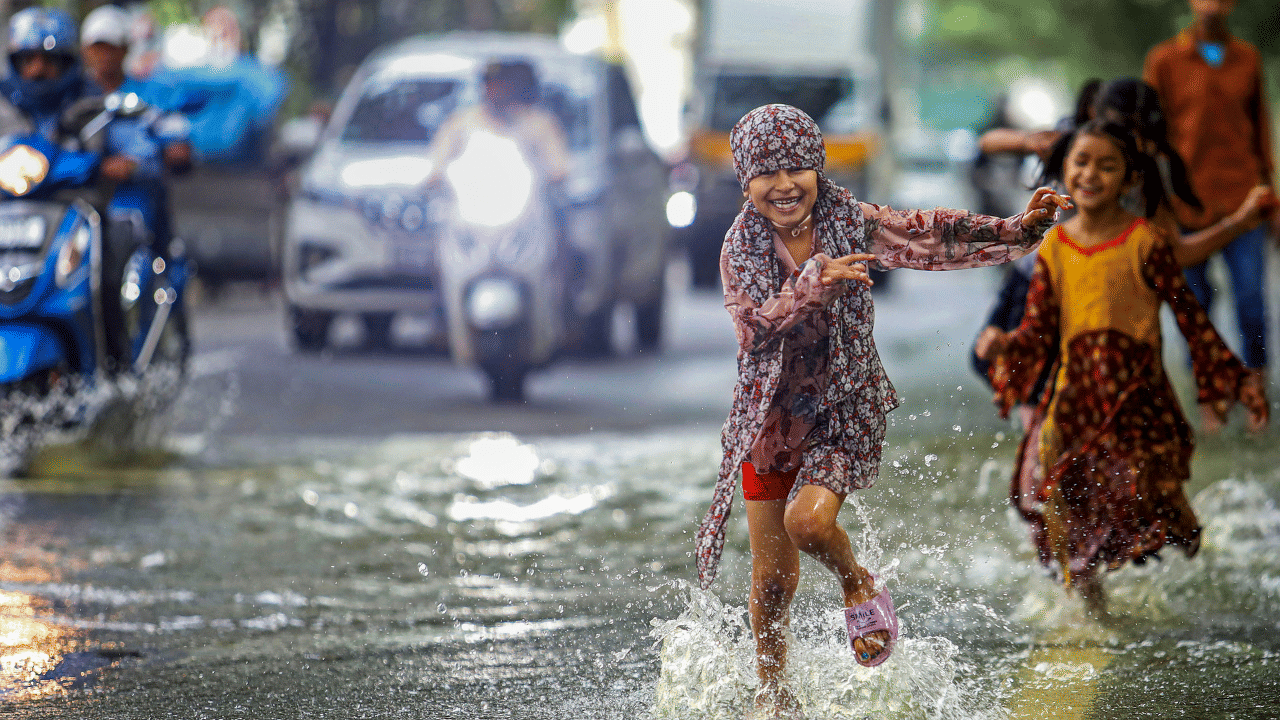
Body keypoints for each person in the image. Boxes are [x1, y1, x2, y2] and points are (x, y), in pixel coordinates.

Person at [694, 104, 1068, 717]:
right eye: (766, 173)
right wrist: (814, 284)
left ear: (818, 167)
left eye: (797, 168)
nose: (784, 184)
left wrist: (1019, 230)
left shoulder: (852, 222)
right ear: (744, 183)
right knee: (769, 582)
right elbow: (754, 330)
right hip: (770, 420)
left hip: (846, 405)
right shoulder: (740, 248)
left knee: (808, 524)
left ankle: (855, 581)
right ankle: (774, 694)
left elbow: (930, 234)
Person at [975, 120, 1269, 614]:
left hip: (1137, 402)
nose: (1091, 174)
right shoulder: (1053, 248)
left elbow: (1193, 321)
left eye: (1107, 165)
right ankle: (1090, 611)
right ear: (1065, 171)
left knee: (1142, 501)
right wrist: (1003, 343)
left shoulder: (1146, 243)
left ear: (1130, 179)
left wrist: (1236, 380)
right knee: (1062, 497)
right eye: (1081, 163)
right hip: (1073, 402)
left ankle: (1114, 584)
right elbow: (1038, 333)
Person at [1144, 0, 1277, 408]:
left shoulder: (1246, 58)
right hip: (1186, 207)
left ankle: (1256, 386)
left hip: (1244, 201)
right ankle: (1209, 395)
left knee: (1251, 301)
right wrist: (1155, 205)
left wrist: (1272, 201)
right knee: (1195, 306)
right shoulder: (1165, 60)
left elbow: (1260, 131)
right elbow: (1152, 135)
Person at [80, 4, 193, 259]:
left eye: (112, 46)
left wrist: (154, 157)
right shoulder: (72, 97)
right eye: (97, 46)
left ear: (125, 49)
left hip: (133, 196)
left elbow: (177, 143)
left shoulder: (151, 95)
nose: (104, 54)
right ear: (84, 49)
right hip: (79, 194)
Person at [423, 58, 571, 186]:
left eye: (502, 84)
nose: (496, 90)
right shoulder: (462, 121)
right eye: (491, 84)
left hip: (527, 212)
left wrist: (551, 177)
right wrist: (435, 177)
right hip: (469, 208)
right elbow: (437, 162)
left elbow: (558, 168)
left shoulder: (539, 123)